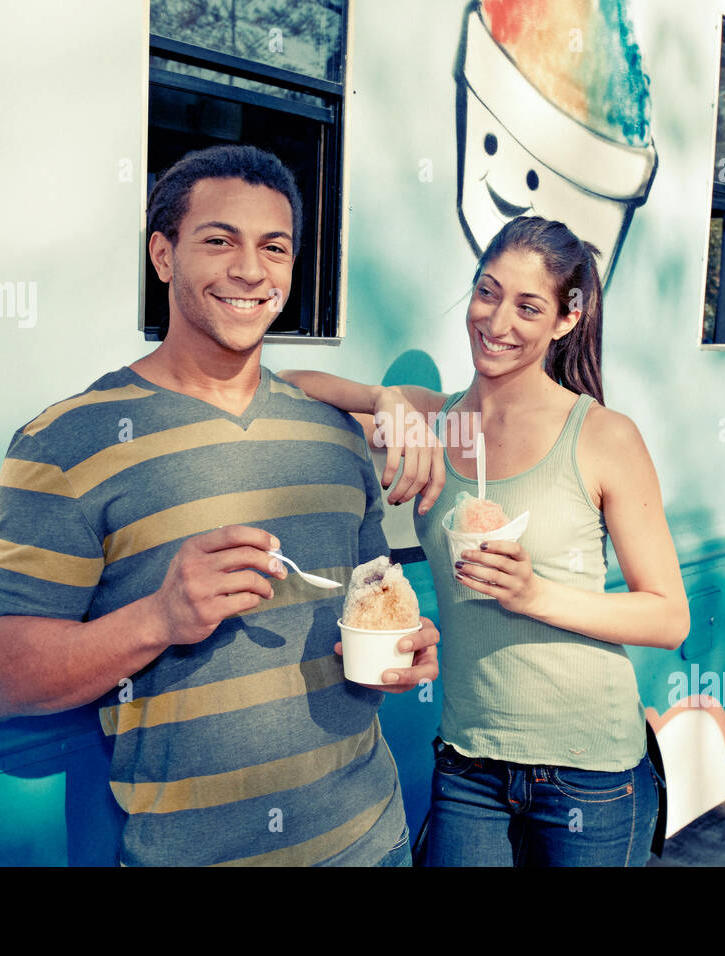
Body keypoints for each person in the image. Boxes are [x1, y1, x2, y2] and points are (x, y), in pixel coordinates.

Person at [0, 144, 439, 867]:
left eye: (274, 248)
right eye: (219, 240)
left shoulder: (334, 435)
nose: (251, 270)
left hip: (373, 839)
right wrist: (159, 616)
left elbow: (375, 603)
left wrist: (406, 647)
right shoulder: (67, 442)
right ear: (163, 255)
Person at [280, 215, 689, 866]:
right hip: (469, 764)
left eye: (529, 306)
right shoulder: (432, 420)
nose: (497, 322)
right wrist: (382, 398)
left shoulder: (605, 436)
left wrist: (533, 593)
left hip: (592, 774)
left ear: (565, 320)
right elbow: (284, 393)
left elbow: (668, 615)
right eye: (488, 292)